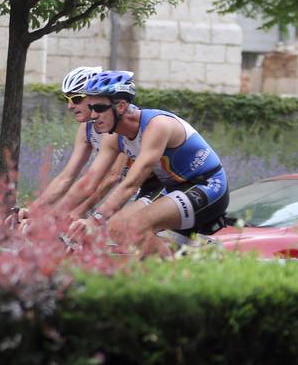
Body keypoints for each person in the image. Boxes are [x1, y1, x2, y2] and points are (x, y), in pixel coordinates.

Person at [67, 71, 229, 254]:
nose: (93, 115)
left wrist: (94, 220)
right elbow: (90, 180)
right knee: (115, 227)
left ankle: (169, 277)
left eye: (99, 108)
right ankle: (190, 250)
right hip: (174, 188)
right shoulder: (112, 137)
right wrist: (52, 216)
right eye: (91, 107)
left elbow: (131, 184)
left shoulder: (157, 125)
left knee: (135, 226)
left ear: (120, 106)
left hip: (207, 185)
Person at [12, 65, 109, 232]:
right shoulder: (87, 128)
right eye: (67, 99)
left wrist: (61, 215)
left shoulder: (114, 126)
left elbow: (109, 178)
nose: (70, 106)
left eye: (76, 98)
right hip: (130, 187)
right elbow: (66, 177)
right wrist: (34, 210)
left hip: (157, 184)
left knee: (124, 229)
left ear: (96, 97)